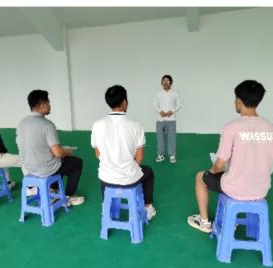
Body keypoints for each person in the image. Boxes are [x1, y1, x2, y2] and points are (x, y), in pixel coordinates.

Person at [187, 80, 273, 233]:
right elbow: (272, 157)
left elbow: (219, 165)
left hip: (236, 188)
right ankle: (230, 220)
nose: (234, 102)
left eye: (235, 99)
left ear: (239, 101)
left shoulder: (231, 127)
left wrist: (212, 171)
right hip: (261, 189)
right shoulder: (271, 128)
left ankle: (204, 222)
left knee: (200, 177)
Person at [91, 84, 157, 220]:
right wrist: (127, 166)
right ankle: (147, 207)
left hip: (106, 179)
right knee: (148, 172)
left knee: (105, 173)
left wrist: (113, 163)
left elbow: (97, 154)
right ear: (124, 102)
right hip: (129, 178)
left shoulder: (97, 125)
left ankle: (106, 207)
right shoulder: (136, 125)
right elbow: (139, 158)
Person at [16, 90, 85, 205]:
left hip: (27, 168)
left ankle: (52, 191)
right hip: (44, 169)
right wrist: (67, 152)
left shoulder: (22, 123)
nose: (50, 105)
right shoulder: (47, 125)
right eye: (48, 103)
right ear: (43, 105)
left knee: (58, 161)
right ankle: (69, 196)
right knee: (75, 162)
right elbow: (58, 153)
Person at [153, 74, 181, 163]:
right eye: (164, 80)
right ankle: (160, 154)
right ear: (161, 82)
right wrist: (160, 111)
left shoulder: (175, 93)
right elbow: (154, 104)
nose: (165, 82)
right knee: (160, 138)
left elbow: (179, 104)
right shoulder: (158, 93)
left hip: (171, 119)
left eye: (168, 80)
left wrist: (171, 111)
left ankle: (172, 155)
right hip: (160, 119)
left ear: (171, 82)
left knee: (171, 137)